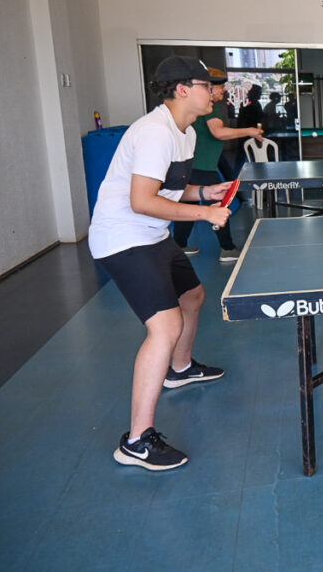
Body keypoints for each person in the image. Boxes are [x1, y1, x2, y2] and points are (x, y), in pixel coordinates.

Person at [88, 55, 233, 471]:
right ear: (183, 89)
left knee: (193, 296)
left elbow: (167, 189)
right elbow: (142, 200)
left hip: (152, 234)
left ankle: (180, 369)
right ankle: (136, 441)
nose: (215, 93)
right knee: (165, 326)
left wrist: (204, 194)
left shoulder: (182, 131)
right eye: (208, 86)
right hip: (124, 237)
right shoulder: (154, 132)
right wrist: (205, 214)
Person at [173, 67, 263, 261]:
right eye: (220, 87)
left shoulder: (203, 108)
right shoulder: (210, 108)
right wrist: (250, 131)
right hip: (201, 166)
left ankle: (179, 245)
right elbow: (218, 132)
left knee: (188, 203)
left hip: (194, 164)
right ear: (209, 89)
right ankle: (228, 249)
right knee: (219, 205)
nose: (224, 90)